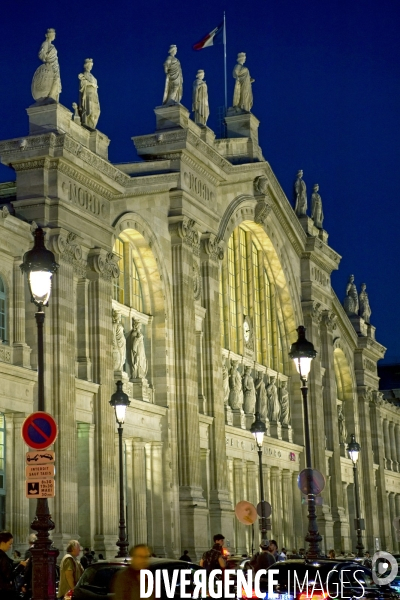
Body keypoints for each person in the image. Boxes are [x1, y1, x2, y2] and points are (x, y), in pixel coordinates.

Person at [0, 531, 27, 600]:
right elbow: (9, 575)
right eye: (10, 544)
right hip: (4, 592)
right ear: (3, 542)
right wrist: (21, 566)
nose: (10, 547)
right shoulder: (2, 557)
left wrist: (19, 564)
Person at [78, 58, 100, 130]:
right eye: (90, 65)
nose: (91, 66)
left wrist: (94, 86)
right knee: (89, 110)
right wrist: (92, 84)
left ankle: (92, 125)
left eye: (91, 65)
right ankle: (87, 124)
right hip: (88, 94)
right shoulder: (84, 74)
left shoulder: (92, 76)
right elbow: (83, 83)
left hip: (94, 94)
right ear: (86, 66)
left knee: (97, 111)